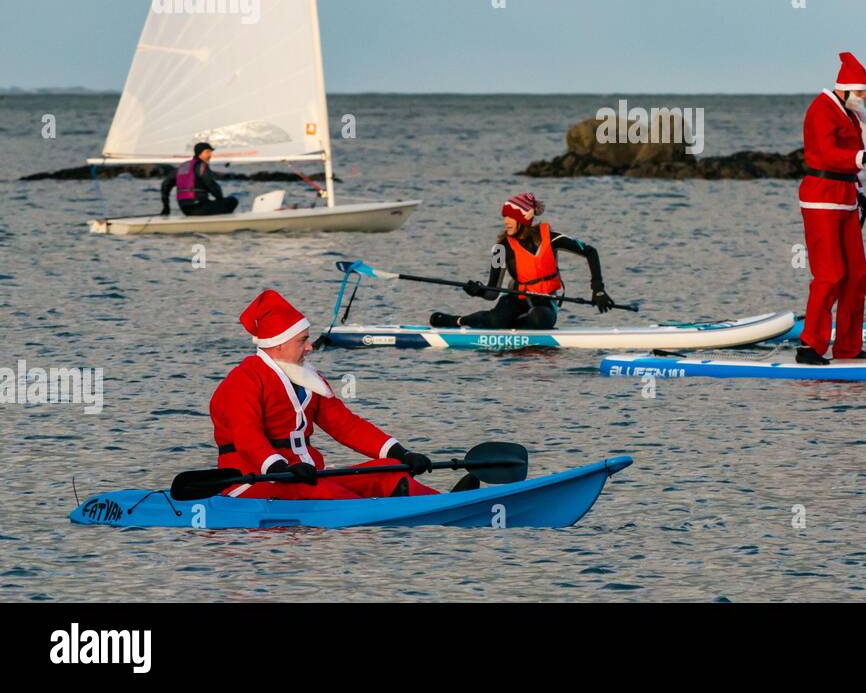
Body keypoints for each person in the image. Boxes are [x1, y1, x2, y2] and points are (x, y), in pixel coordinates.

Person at [210, 290, 440, 499]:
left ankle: (442, 500)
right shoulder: (242, 381)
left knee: (389, 470)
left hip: (304, 477)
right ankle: (391, 508)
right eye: (302, 341)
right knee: (322, 489)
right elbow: (247, 437)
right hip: (252, 482)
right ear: (278, 344)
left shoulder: (309, 378)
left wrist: (402, 453)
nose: (310, 347)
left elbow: (346, 426)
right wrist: (279, 469)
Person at [797, 52, 866, 365]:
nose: (865, 96)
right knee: (830, 275)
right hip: (821, 199)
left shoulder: (850, 112)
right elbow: (827, 154)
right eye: (861, 91)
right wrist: (865, 159)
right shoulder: (821, 109)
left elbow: (849, 163)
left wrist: (860, 192)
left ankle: (848, 348)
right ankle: (809, 347)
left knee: (857, 275)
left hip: (845, 198)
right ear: (845, 88)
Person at [429, 192, 614, 330]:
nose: (505, 221)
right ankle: (458, 321)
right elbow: (492, 292)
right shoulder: (500, 248)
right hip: (515, 299)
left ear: (524, 219)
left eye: (511, 217)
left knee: (539, 319)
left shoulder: (550, 238)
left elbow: (590, 252)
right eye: (505, 217)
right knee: (496, 320)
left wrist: (598, 289)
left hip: (545, 302)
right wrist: (477, 291)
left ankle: (512, 325)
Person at [161, 142, 239, 217]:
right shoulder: (202, 166)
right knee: (232, 200)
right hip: (200, 208)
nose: (210, 155)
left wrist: (166, 207)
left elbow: (165, 184)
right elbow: (211, 185)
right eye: (207, 152)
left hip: (185, 210)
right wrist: (221, 200)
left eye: (211, 152)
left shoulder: (182, 166)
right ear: (199, 153)